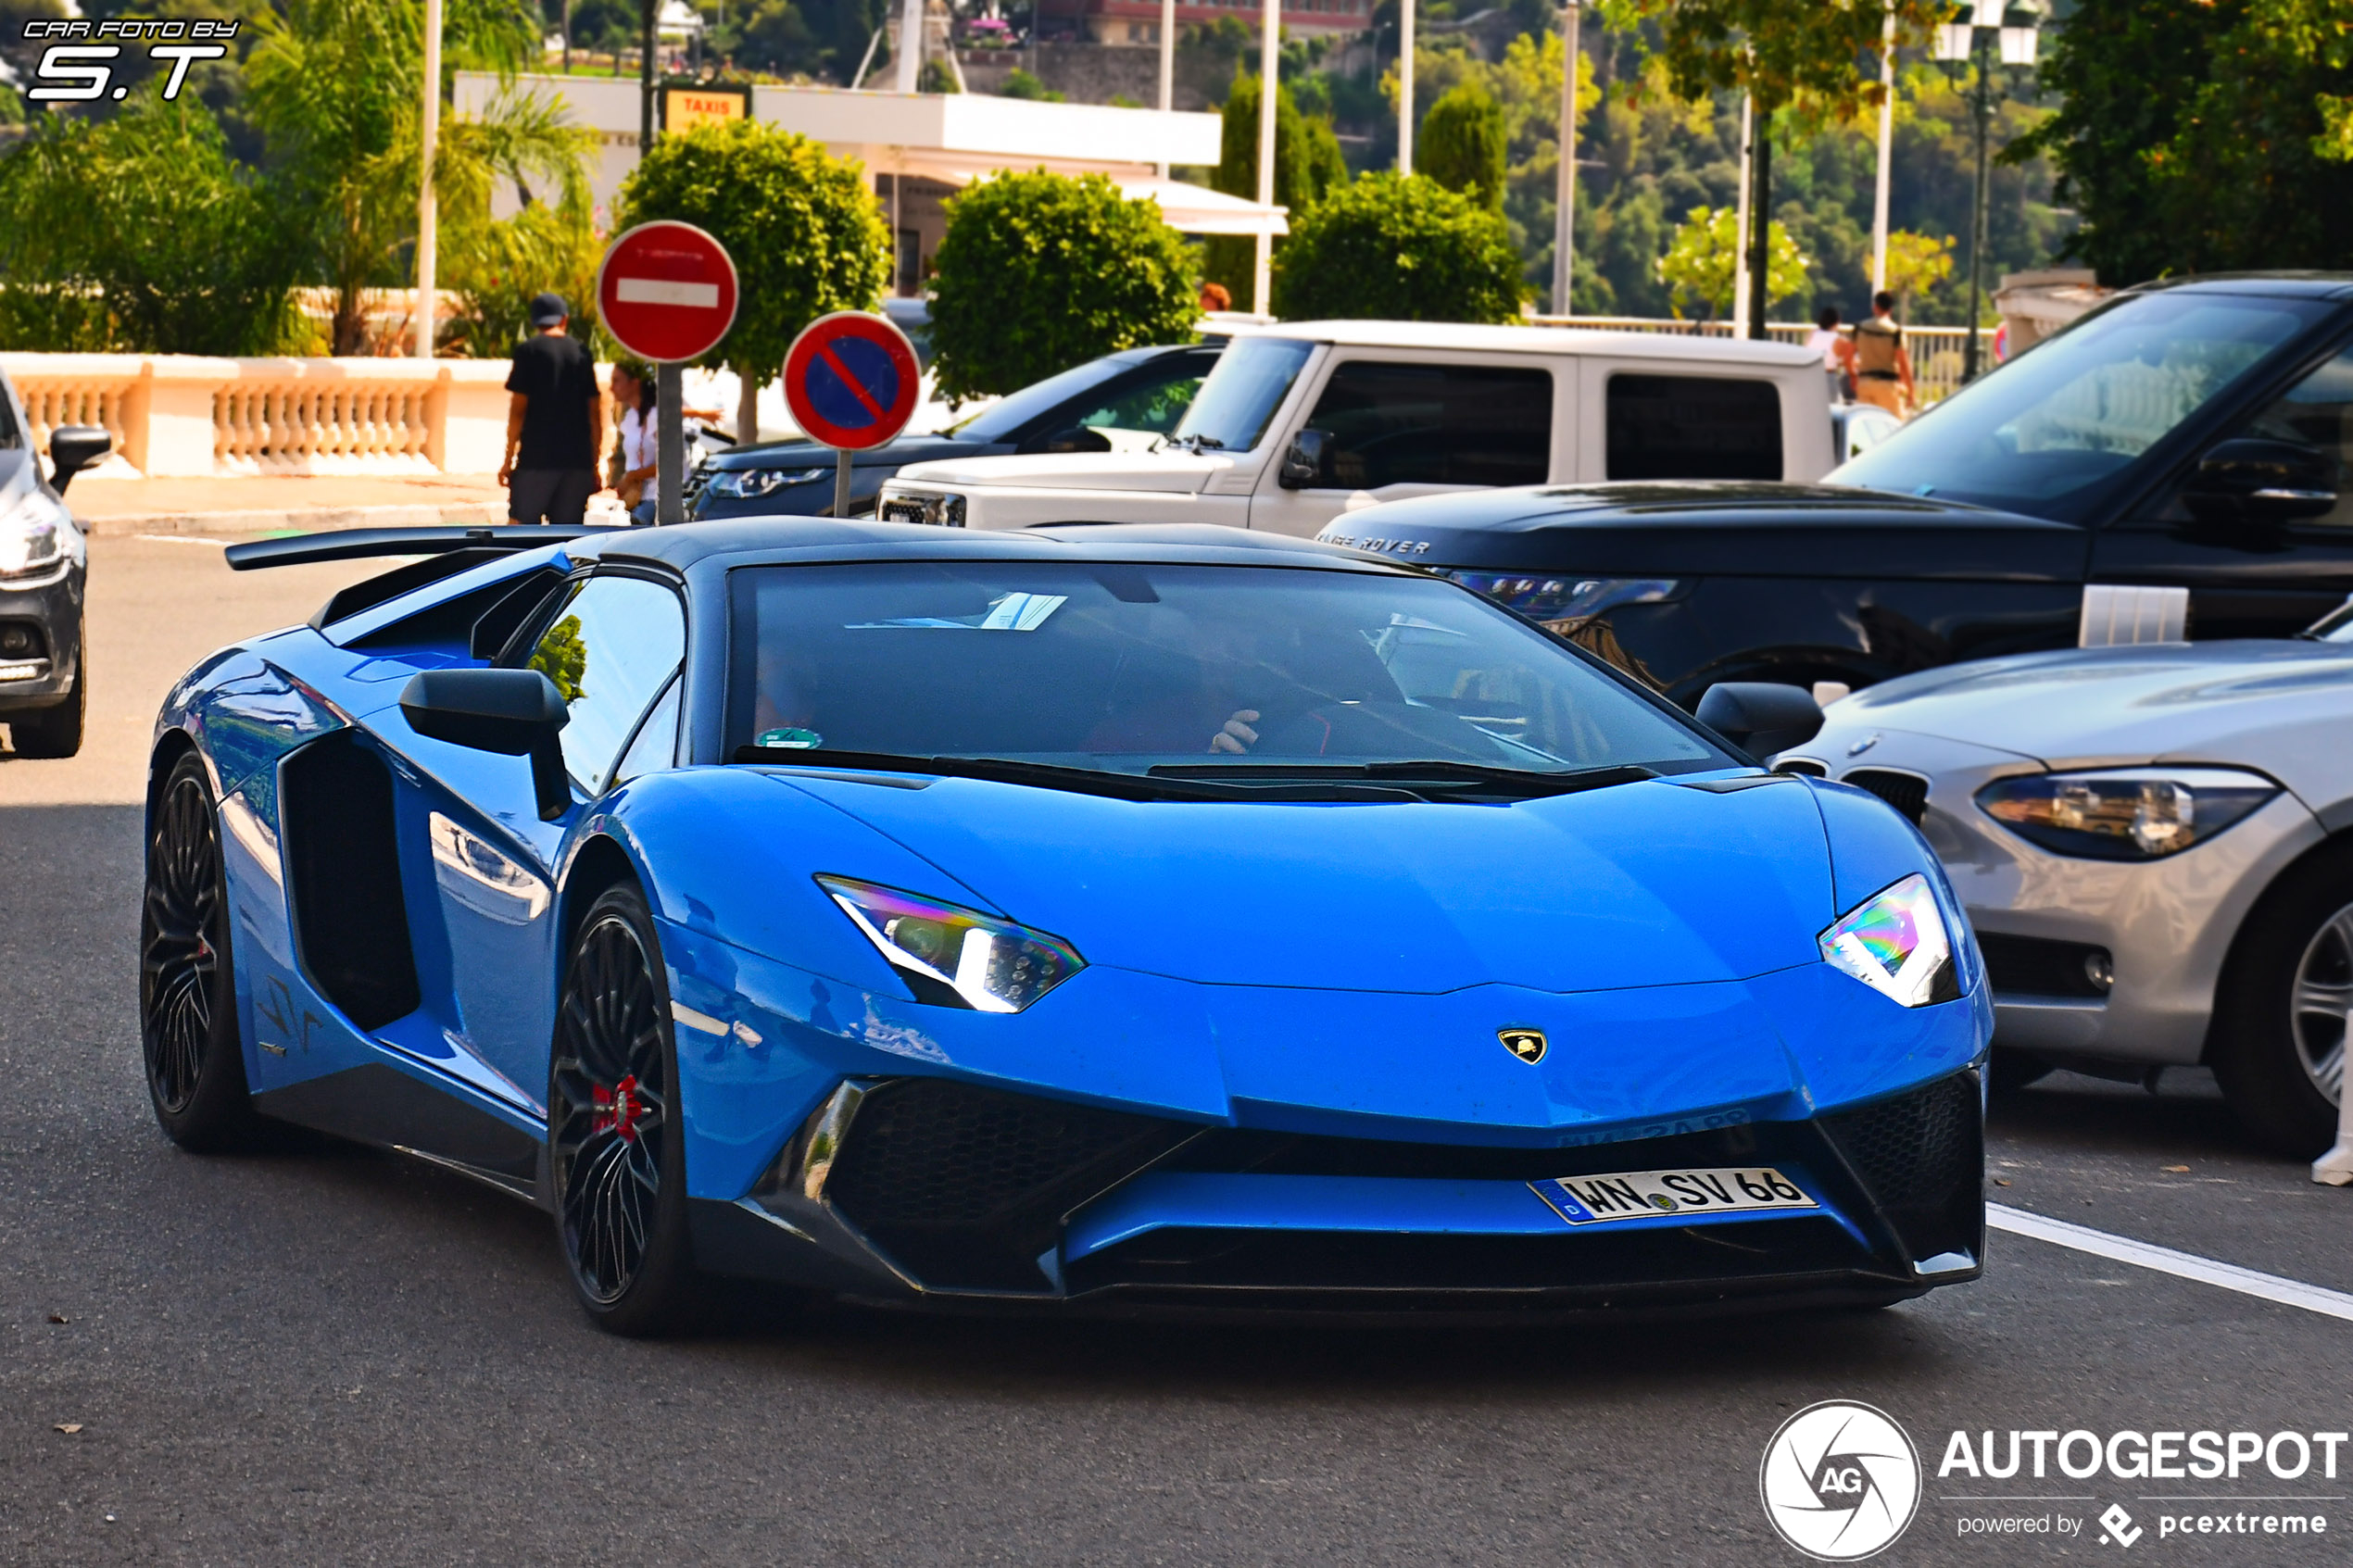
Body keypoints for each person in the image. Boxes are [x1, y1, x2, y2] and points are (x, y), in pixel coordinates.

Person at [500, 293, 603, 525]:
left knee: (519, 532)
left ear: (536, 322)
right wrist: (594, 464)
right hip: (577, 462)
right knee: (566, 537)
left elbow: (518, 411)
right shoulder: (582, 352)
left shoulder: (528, 351)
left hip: (536, 459)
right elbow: (594, 413)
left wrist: (508, 460)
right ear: (564, 319)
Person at [1853, 290, 1916, 418]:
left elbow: (1849, 354)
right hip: (1887, 385)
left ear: (1875, 307)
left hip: (1864, 382)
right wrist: (1911, 391)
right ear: (1891, 309)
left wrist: (1852, 376)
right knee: (1894, 425)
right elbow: (1903, 362)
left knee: (1866, 424)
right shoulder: (1896, 332)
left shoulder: (1860, 328)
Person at [1806, 306, 1857, 403]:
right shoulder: (1838, 339)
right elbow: (1849, 360)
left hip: (1811, 376)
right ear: (1837, 322)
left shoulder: (1812, 334)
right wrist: (1853, 375)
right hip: (1828, 377)